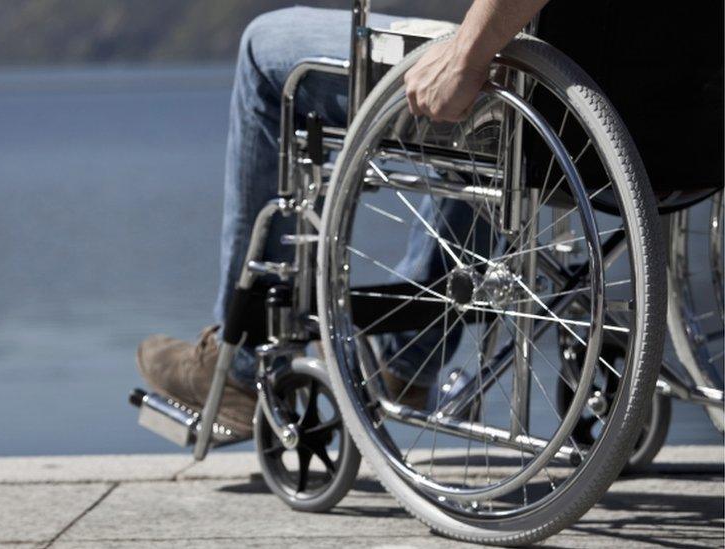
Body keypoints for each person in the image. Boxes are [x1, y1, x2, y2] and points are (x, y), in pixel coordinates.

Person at [136, 0, 724, 437]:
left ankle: (237, 366)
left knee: (266, 47)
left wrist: (468, 52)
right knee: (491, 106)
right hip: (682, 138)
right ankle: (410, 349)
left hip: (553, 98)